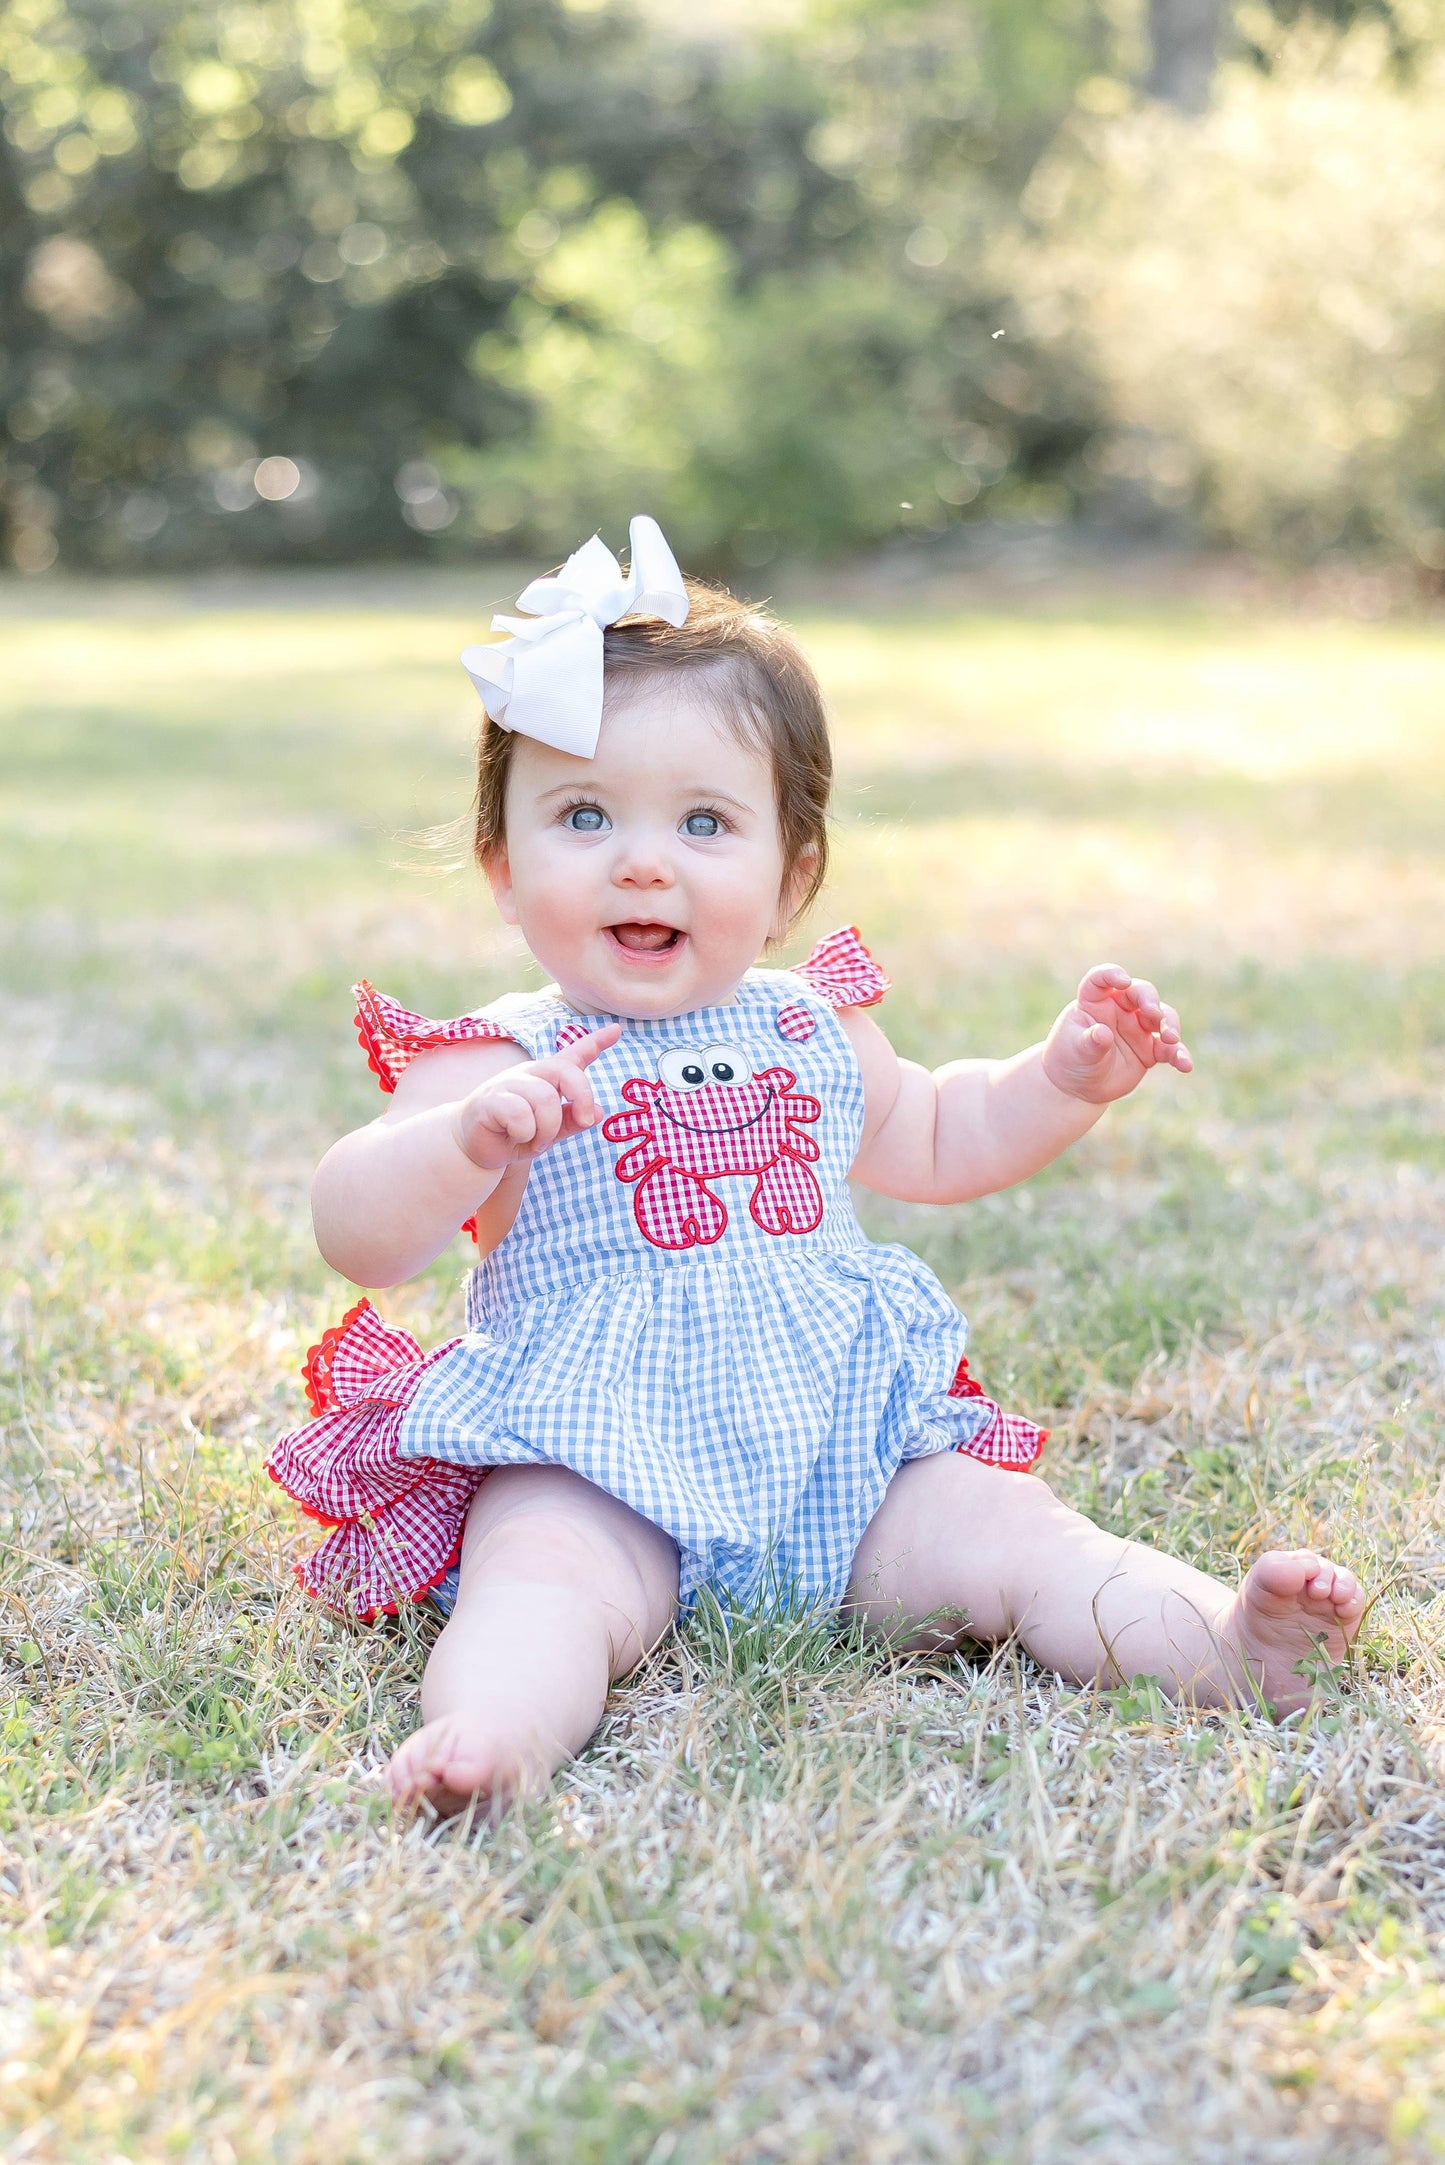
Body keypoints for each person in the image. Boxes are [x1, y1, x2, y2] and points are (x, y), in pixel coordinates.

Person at [268, 516, 1365, 1817]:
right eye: (581, 813)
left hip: (839, 1458)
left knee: (1015, 1534)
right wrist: (459, 1143)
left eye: (701, 821)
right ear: (503, 869)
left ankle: (1220, 1642)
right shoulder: (500, 1055)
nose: (642, 856)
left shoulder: (810, 1022)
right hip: (597, 1459)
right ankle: (492, 1735)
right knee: (539, 1580)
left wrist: (1059, 1080)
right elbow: (359, 1226)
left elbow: (943, 1134)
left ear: (791, 876)